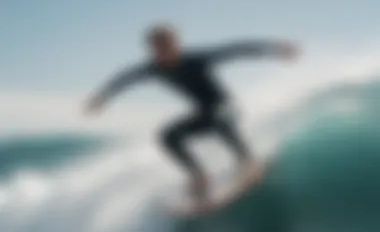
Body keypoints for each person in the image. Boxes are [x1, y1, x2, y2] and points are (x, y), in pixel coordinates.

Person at [85, 24, 299, 200]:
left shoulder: (195, 59)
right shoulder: (153, 68)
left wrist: (275, 49)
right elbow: (125, 78)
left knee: (218, 119)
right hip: (203, 113)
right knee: (167, 136)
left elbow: (235, 49)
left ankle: (248, 162)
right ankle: (200, 176)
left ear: (176, 44)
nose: (163, 52)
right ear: (152, 49)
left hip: (226, 107)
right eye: (158, 48)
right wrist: (102, 97)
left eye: (167, 46)